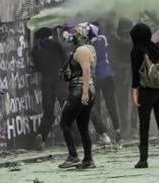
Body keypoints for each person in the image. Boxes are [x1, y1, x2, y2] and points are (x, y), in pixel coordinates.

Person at [130, 23, 159, 169]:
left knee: (144, 125)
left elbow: (135, 73)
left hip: (146, 91)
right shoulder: (156, 48)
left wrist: (134, 91)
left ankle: (143, 160)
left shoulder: (136, 50)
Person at [57, 24, 98, 169]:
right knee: (83, 126)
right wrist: (63, 32)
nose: (72, 36)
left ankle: (73, 156)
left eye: (75, 34)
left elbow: (86, 71)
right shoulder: (89, 48)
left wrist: (85, 92)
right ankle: (88, 159)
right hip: (87, 88)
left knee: (65, 123)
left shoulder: (81, 50)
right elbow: (66, 37)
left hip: (79, 89)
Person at [30, 27, 66, 149]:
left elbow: (37, 67)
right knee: (67, 109)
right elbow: (64, 60)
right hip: (59, 79)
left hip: (46, 81)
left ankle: (41, 136)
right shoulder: (56, 44)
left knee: (48, 113)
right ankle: (76, 139)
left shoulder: (36, 48)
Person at [88, 22, 120, 144]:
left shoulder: (89, 44)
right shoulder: (103, 38)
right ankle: (118, 130)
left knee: (96, 106)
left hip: (96, 77)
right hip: (107, 73)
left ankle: (101, 134)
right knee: (111, 103)